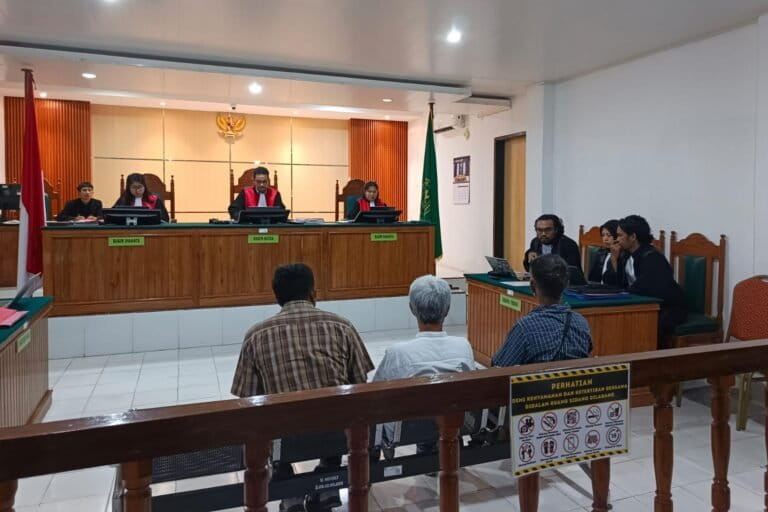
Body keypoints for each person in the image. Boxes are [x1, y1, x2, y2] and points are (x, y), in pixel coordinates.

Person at [231, 263, 373, 512]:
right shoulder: (342, 326)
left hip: (284, 442)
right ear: (313, 292)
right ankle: (327, 481)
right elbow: (360, 385)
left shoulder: (256, 335)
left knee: (270, 422)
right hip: (337, 437)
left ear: (277, 297)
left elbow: (248, 399)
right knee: (339, 412)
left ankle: (289, 489)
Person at [373, 275, 475, 454]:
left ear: (412, 309)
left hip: (407, 431)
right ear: (447, 309)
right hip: (454, 421)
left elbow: (374, 391)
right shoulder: (463, 346)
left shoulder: (398, 353)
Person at [493, 254, 592, 366]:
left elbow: (500, 366)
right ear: (566, 284)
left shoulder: (525, 327)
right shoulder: (581, 323)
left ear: (532, 286)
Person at [616, 215, 687, 345]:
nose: (617, 239)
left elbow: (647, 289)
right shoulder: (625, 254)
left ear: (633, 237)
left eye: (620, 235)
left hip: (668, 307)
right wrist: (614, 259)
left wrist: (625, 293)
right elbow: (619, 283)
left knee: (647, 325)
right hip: (642, 302)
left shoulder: (653, 258)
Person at [587, 219, 626, 285]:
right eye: (603, 235)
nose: (605, 239)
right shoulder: (601, 253)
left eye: (608, 235)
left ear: (617, 235)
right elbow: (592, 277)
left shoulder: (623, 255)